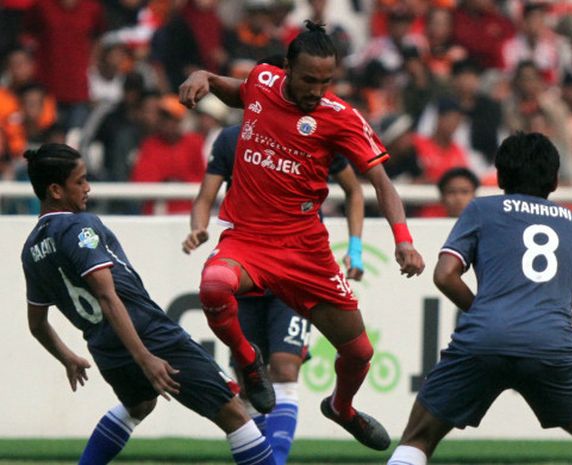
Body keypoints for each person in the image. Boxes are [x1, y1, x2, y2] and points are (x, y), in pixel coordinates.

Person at [178, 20, 425, 451]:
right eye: (309, 79)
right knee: (213, 285)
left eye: (327, 80)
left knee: (360, 354)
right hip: (248, 242)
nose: (317, 89)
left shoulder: (341, 117)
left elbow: (381, 183)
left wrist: (403, 239)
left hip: (305, 251)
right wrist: (206, 77)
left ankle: (342, 408)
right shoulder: (262, 80)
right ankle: (251, 363)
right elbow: (237, 90)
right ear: (288, 68)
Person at [20, 143, 276, 465]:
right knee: (235, 414)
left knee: (139, 405)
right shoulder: (79, 226)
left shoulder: (30, 249)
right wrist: (145, 358)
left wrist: (67, 356)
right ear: (56, 190)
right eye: (80, 181)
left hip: (106, 347)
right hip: (149, 336)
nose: (88, 188)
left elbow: (37, 324)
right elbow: (107, 296)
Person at [386, 132, 572, 465]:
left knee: (418, 439)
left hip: (482, 339)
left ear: (498, 177)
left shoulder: (481, 210)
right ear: (554, 181)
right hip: (551, 345)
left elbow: (444, 275)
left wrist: (482, 312)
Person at [182, 123, 366, 465]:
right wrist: (199, 227)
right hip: (247, 266)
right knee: (249, 377)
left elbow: (354, 190)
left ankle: (276, 460)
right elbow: (205, 197)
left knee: (283, 367)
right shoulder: (232, 138)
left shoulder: (319, 130)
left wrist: (355, 248)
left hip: (296, 269)